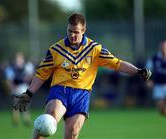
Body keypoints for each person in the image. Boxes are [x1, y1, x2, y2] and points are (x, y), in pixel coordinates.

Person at [13, 13, 151, 139]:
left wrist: (138, 71)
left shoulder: (95, 49)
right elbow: (42, 74)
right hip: (61, 90)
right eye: (70, 31)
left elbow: (118, 64)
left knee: (72, 133)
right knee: (48, 120)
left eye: (76, 32)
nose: (72, 35)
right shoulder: (55, 50)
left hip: (82, 95)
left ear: (84, 30)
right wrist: (29, 94)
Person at [5, 52, 35, 126]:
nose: (19, 60)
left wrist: (27, 79)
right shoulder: (12, 68)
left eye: (20, 58)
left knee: (24, 104)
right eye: (17, 58)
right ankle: (17, 120)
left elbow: (30, 77)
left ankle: (26, 120)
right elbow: (9, 79)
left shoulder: (26, 67)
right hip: (17, 87)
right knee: (17, 105)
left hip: (23, 87)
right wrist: (12, 87)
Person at [146, 40, 166, 116]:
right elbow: (147, 70)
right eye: (163, 46)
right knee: (161, 109)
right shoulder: (154, 59)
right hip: (158, 85)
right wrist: (149, 80)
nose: (164, 48)